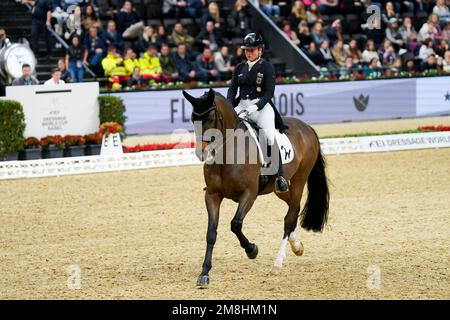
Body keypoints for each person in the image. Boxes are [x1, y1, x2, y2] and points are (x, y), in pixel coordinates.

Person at [226, 33, 289, 193]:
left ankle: (280, 176)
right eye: (247, 50)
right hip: (241, 106)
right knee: (226, 132)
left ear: (260, 50)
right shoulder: (239, 68)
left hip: (261, 107)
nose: (249, 52)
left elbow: (269, 92)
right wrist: (228, 105)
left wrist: (257, 106)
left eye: (252, 50)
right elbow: (233, 89)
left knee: (268, 136)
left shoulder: (267, 66)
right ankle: (222, 174)